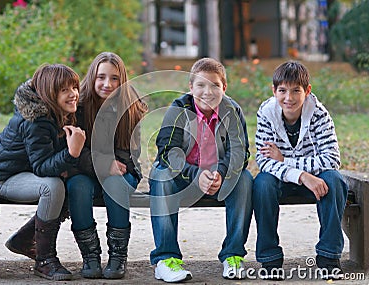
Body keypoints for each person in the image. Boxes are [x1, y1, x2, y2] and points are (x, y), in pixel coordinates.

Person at [149, 57, 253, 283]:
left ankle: (233, 255)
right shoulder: (177, 109)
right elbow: (168, 152)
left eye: (215, 85)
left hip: (217, 177)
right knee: (160, 174)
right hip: (183, 177)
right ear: (191, 88)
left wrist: (221, 173)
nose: (208, 91)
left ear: (224, 87)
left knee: (244, 179)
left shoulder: (232, 110)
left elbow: (240, 152)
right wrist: (196, 175)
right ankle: (166, 259)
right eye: (201, 85)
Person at [0, 63, 86, 281]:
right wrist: (72, 154)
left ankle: (23, 239)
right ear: (50, 93)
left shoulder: (58, 111)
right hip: (6, 177)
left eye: (74, 87)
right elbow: (42, 166)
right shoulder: (35, 120)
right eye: (64, 90)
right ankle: (45, 260)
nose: (73, 94)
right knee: (52, 186)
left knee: (69, 184)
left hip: (28, 172)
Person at [253, 61, 348, 280]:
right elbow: (265, 162)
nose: (289, 98)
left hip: (316, 182)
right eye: (283, 91)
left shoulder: (319, 115)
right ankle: (270, 259)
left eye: (296, 90)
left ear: (307, 91)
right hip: (285, 180)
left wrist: (286, 159)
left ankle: (328, 256)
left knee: (334, 180)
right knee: (263, 183)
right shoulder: (266, 113)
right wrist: (302, 175)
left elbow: (332, 159)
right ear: (274, 91)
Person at [65, 52, 147, 279]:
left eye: (114, 78)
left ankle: (118, 257)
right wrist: (102, 163)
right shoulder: (78, 105)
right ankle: (90, 256)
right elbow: (73, 151)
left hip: (121, 169)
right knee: (77, 187)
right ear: (92, 77)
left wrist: (109, 165)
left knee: (117, 184)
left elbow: (129, 153)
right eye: (101, 77)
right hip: (84, 170)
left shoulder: (131, 106)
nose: (107, 84)